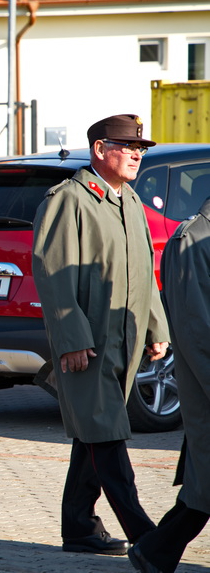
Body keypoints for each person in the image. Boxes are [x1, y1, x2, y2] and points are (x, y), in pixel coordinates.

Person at [32, 114, 170, 555]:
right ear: (99, 149)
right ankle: (147, 537)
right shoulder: (69, 199)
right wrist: (71, 338)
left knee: (93, 432)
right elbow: (53, 273)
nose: (136, 154)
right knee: (107, 435)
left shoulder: (129, 200)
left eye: (140, 148)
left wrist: (156, 326)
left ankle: (79, 527)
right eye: (128, 146)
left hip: (124, 339)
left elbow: (144, 271)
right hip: (88, 343)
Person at [127, 196, 210, 572]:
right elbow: (196, 331)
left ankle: (156, 551)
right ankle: (155, 551)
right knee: (203, 481)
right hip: (203, 384)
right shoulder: (193, 238)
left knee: (202, 485)